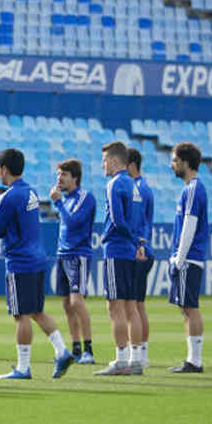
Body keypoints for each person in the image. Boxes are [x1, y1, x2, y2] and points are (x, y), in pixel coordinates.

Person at [0, 149, 75, 380]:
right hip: (37, 258)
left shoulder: (8, 197)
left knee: (21, 315)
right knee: (37, 311)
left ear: (4, 169)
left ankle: (23, 367)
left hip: (20, 262)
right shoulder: (31, 192)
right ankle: (62, 351)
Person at [94, 141, 142, 377]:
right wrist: (137, 242)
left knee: (115, 307)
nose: (102, 165)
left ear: (113, 161)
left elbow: (117, 220)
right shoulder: (133, 185)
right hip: (130, 252)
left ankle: (121, 360)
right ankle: (136, 360)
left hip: (117, 249)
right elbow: (137, 219)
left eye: (104, 160)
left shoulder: (114, 184)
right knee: (132, 307)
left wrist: (130, 240)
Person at [50, 159, 96, 364]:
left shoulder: (85, 197)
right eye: (58, 174)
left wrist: (58, 202)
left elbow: (73, 223)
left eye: (64, 174)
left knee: (77, 301)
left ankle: (89, 350)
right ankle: (76, 348)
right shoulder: (67, 198)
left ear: (75, 178)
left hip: (78, 255)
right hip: (63, 254)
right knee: (67, 305)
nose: (59, 178)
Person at [168, 142, 208, 374]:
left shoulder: (193, 189)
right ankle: (193, 359)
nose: (171, 165)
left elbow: (189, 225)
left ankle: (195, 361)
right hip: (189, 257)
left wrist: (179, 258)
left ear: (184, 162)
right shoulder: (191, 189)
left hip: (189, 257)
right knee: (187, 306)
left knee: (190, 306)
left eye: (174, 160)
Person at [127, 148, 155, 370]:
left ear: (131, 164)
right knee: (138, 304)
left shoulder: (139, 189)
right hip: (141, 249)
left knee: (134, 305)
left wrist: (142, 246)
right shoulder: (142, 187)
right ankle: (141, 352)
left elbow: (143, 222)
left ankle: (139, 354)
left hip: (139, 251)